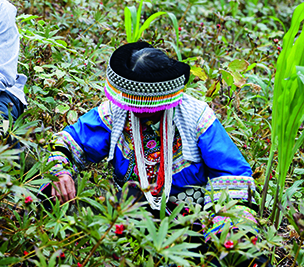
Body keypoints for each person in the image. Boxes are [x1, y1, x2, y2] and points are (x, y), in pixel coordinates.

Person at [45, 41, 260, 238]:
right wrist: (60, 172)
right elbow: (71, 141)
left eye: (142, 109)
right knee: (51, 192)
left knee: (238, 249)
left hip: (193, 218)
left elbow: (232, 171)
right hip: (132, 211)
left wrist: (224, 220)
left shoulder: (196, 117)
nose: (134, 112)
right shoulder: (117, 112)